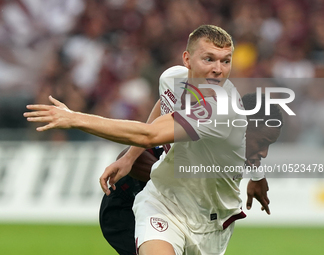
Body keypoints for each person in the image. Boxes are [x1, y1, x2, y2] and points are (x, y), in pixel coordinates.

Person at [24, 25, 279, 255]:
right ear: (187, 60)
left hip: (209, 224)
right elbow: (164, 103)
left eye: (226, 61)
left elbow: (151, 135)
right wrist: (131, 157)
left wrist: (75, 118)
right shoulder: (173, 78)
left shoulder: (220, 110)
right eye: (209, 59)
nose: (218, 69)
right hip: (163, 202)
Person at [99, 92, 282, 255]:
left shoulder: (235, 134)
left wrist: (258, 175)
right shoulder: (207, 122)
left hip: (195, 221)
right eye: (262, 143)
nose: (264, 153)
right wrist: (134, 160)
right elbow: (164, 102)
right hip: (128, 204)